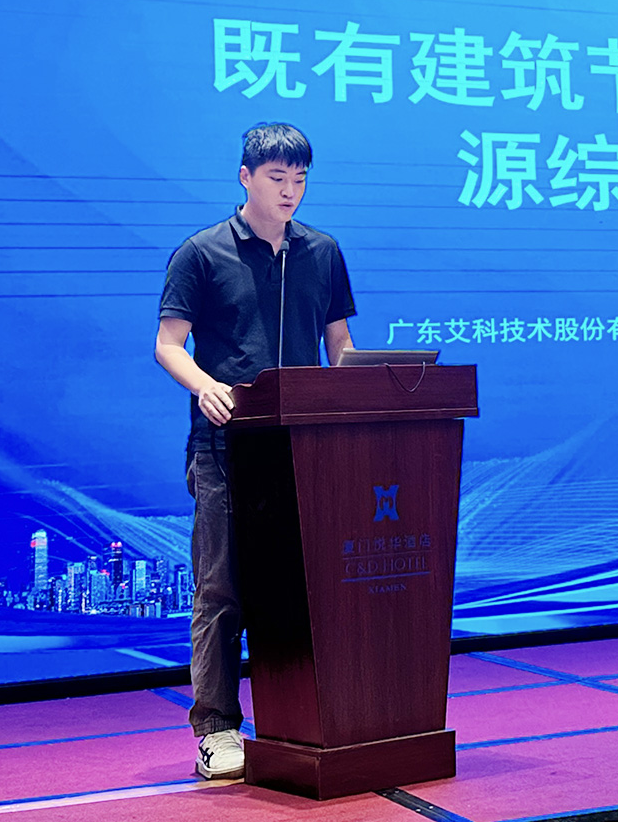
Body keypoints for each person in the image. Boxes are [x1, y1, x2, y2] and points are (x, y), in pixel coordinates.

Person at [154, 123, 356, 779]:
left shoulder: (322, 251)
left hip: (303, 446)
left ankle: (300, 717)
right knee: (222, 589)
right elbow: (168, 345)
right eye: (277, 178)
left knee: (301, 588)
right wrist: (206, 386)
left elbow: (339, 346)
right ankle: (216, 728)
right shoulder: (202, 253)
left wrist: (359, 390)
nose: (290, 191)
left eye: (300, 179)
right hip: (226, 445)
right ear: (246, 177)